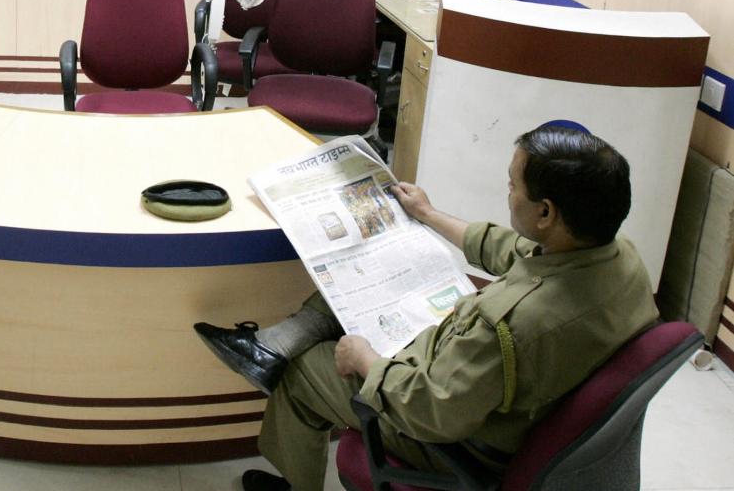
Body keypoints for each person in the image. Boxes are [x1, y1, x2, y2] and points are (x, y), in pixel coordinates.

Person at [194, 125, 658, 491]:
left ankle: (293, 474)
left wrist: (363, 360)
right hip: (499, 386)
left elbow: (430, 410)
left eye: (513, 185)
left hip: (453, 434)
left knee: (306, 373)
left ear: (546, 213)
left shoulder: (511, 326)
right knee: (364, 278)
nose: (507, 192)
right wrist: (429, 215)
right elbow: (510, 249)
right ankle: (274, 343)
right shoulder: (618, 259)